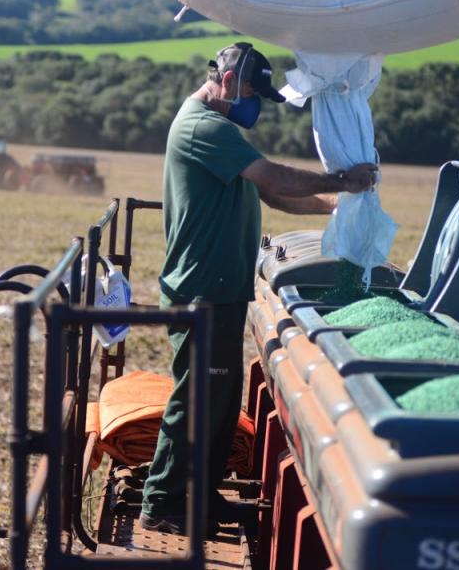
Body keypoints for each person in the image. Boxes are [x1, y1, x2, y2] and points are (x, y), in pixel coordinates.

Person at [139, 42, 377, 534]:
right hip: (202, 287)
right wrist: (343, 179)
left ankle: (202, 498)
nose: (253, 105)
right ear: (227, 82)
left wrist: (335, 204)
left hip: (221, 287)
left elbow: (269, 192)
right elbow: (271, 174)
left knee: (220, 401)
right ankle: (161, 502)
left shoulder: (221, 131)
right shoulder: (204, 127)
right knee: (196, 398)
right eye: (250, 91)